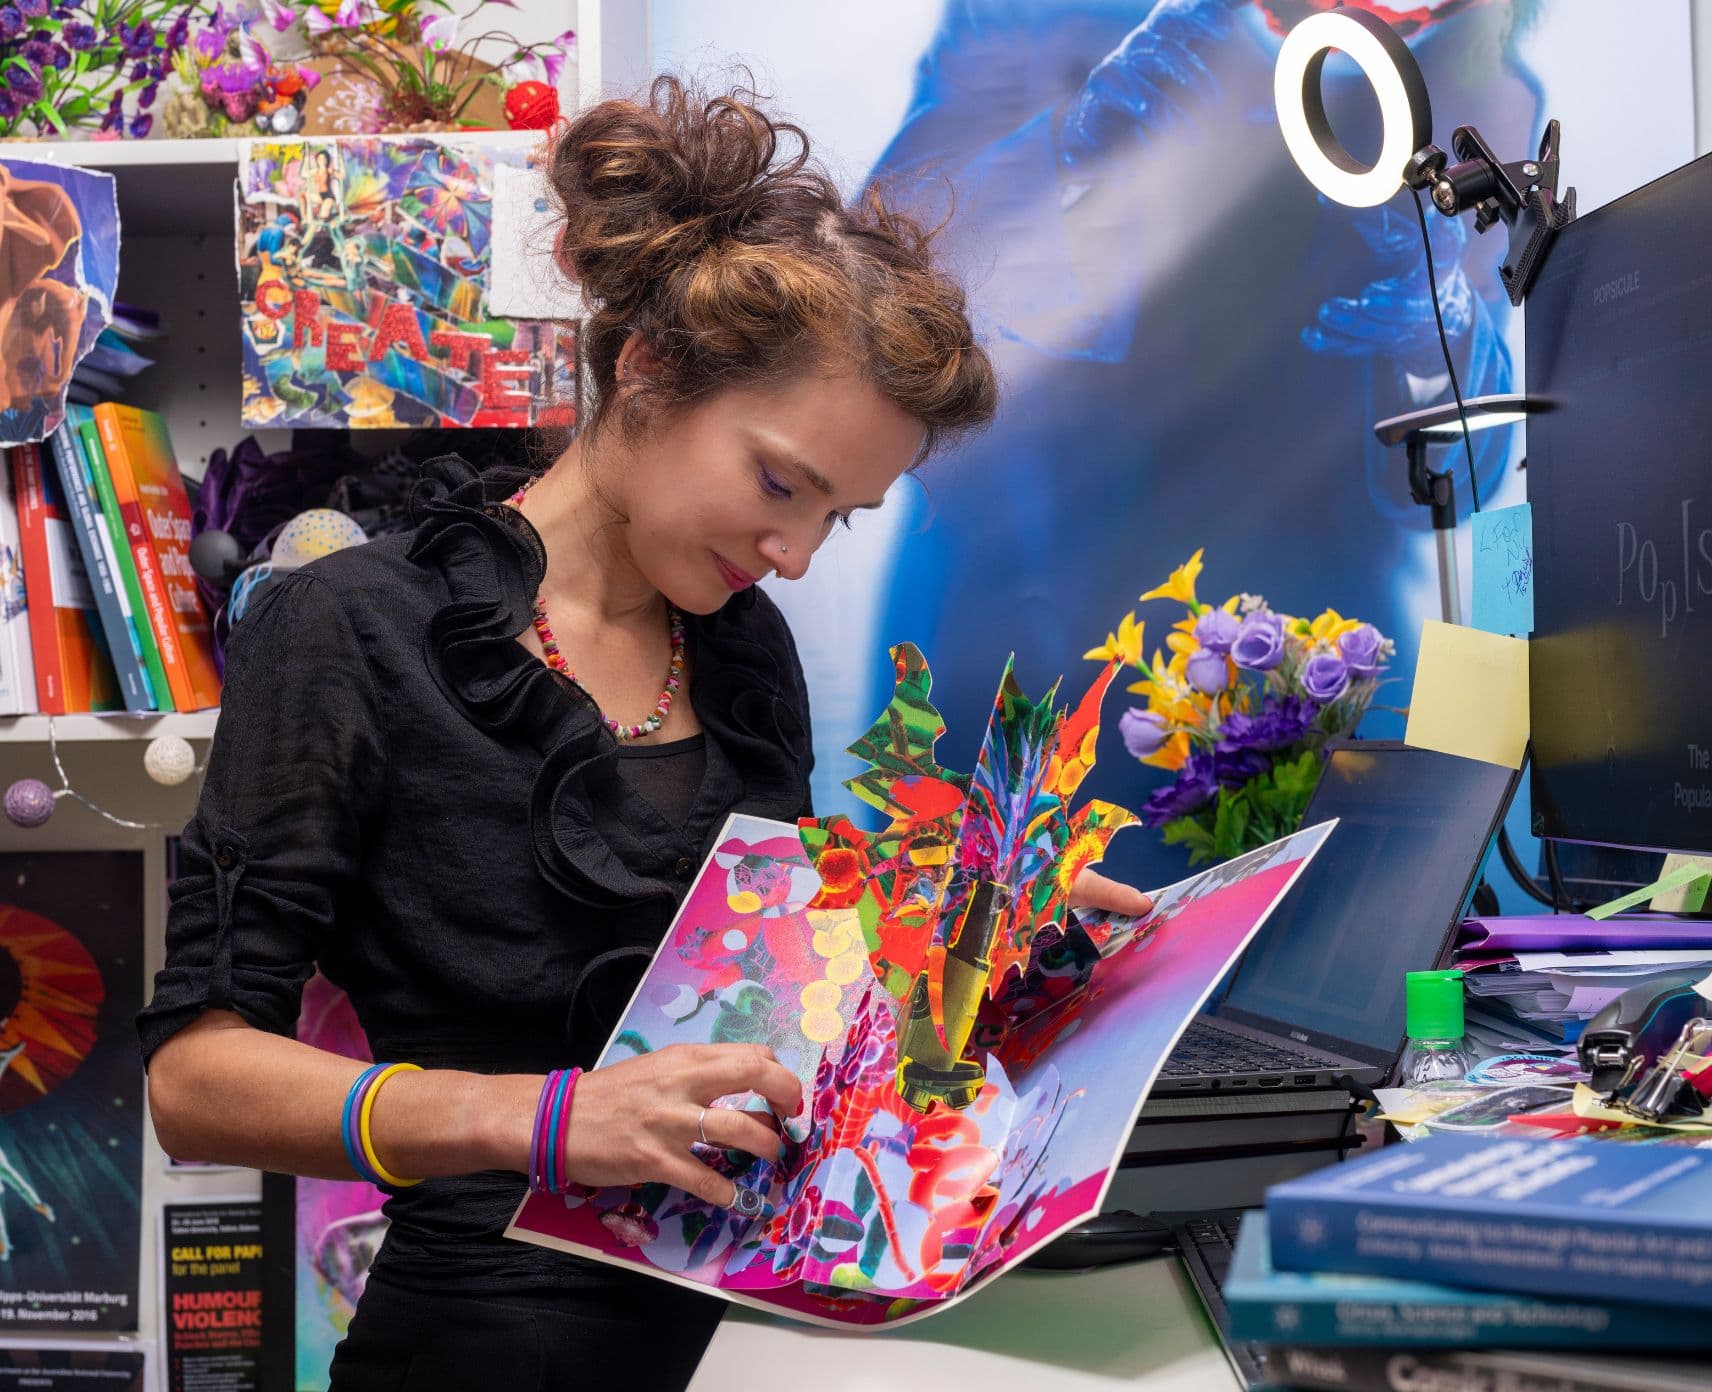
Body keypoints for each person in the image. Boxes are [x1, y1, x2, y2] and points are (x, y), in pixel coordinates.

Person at [139, 77, 1152, 1391]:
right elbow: (196, 1078)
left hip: (751, 1328)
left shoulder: (734, 647)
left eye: (836, 516)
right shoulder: (349, 632)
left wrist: (972, 932)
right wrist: (546, 1118)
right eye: (781, 483)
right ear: (648, 367)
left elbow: (769, 1010)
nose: (791, 555)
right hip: (494, 1342)